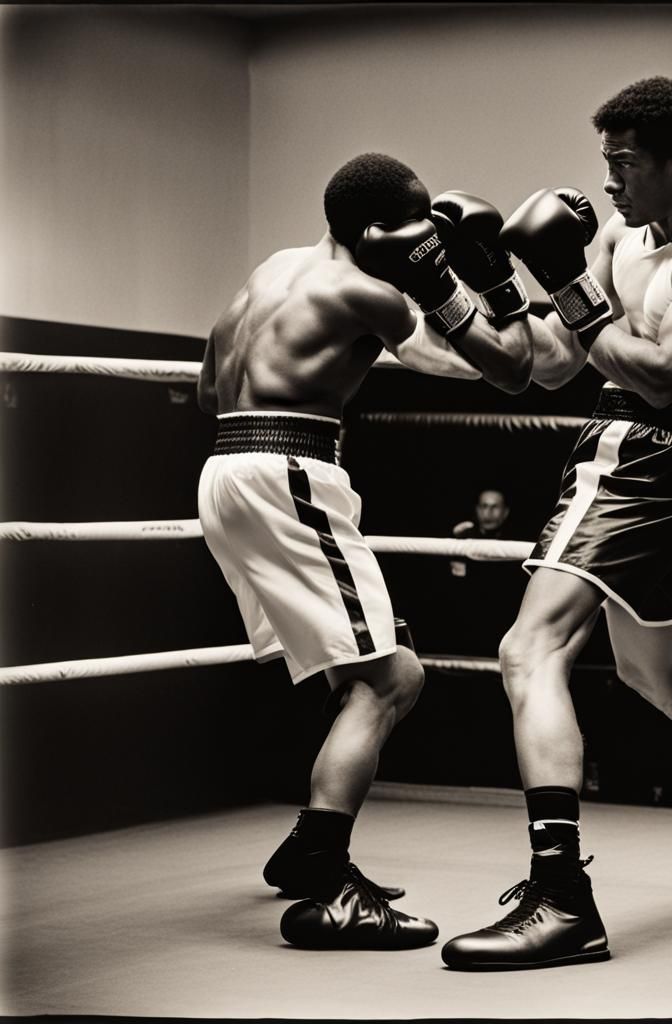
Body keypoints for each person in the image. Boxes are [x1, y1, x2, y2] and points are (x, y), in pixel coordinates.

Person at [438, 77, 672, 972]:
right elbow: (555, 367)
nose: (609, 184)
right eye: (605, 164)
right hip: (629, 446)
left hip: (652, 451)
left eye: (626, 164)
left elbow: (665, 371)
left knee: (529, 653)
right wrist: (489, 280)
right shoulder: (618, 235)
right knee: (659, 678)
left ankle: (563, 899)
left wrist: (563, 277)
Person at [196, 152, 533, 950]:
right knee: (392, 677)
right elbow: (505, 369)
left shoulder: (273, 269)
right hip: (290, 472)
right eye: (415, 231)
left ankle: (307, 847)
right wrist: (493, 285)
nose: (426, 244)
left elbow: (210, 386)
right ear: (380, 231)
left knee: (360, 668)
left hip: (223, 472)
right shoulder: (366, 292)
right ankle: (324, 871)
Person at [450, 487, 511, 577]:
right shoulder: (464, 536)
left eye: (495, 506)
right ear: (477, 510)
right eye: (484, 506)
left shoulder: (515, 539)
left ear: (505, 512)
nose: (489, 512)